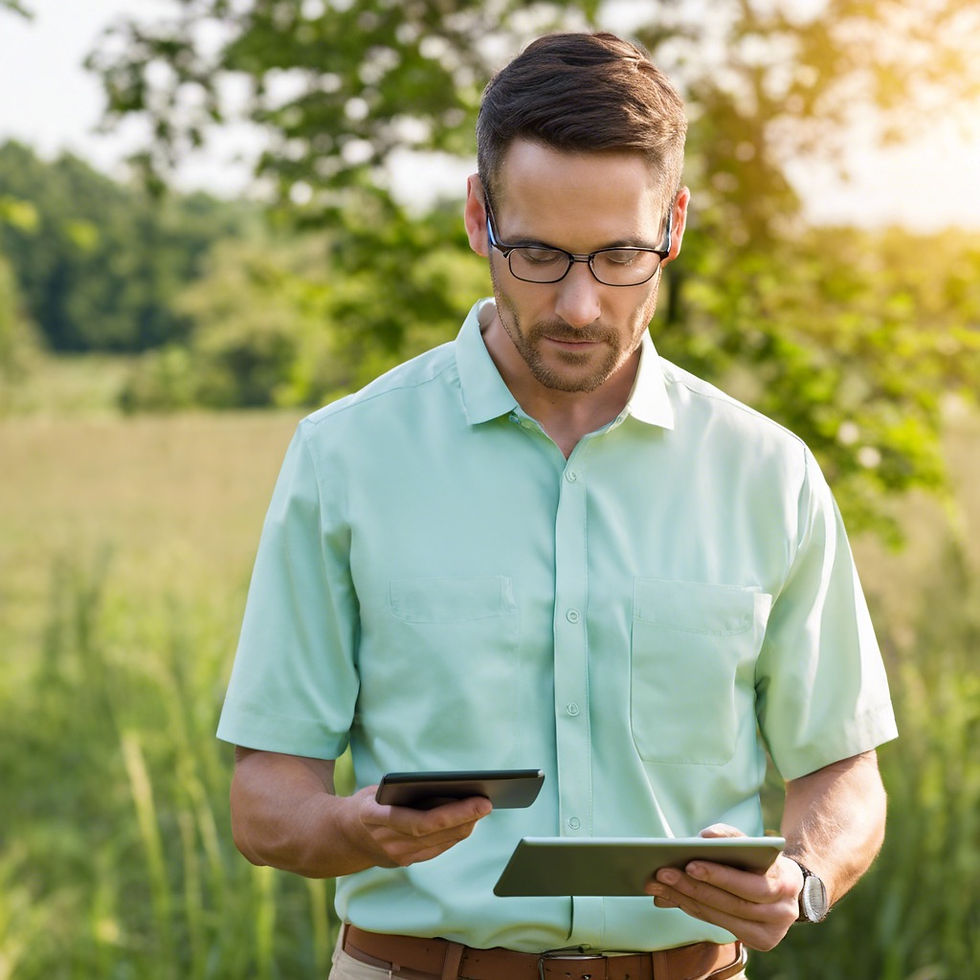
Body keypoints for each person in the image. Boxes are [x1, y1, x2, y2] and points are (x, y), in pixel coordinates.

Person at [217, 31, 898, 980]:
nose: (579, 305)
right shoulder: (345, 457)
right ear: (476, 217)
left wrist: (804, 875)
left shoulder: (768, 471)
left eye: (620, 255)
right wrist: (349, 829)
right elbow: (265, 797)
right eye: (538, 252)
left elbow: (843, 773)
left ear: (677, 224)